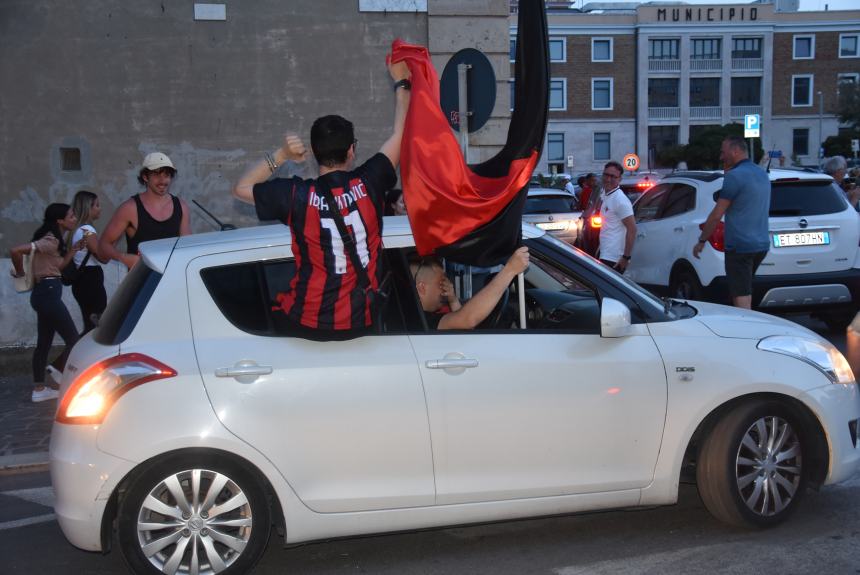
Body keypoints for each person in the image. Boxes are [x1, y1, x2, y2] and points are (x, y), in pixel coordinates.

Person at [233, 60, 411, 340]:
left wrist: (281, 155)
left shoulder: (297, 196)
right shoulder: (371, 182)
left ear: (314, 153)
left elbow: (241, 188)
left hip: (306, 324)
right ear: (351, 150)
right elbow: (401, 134)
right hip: (360, 323)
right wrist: (402, 83)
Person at [9, 204, 81, 402]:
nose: (74, 218)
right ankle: (59, 374)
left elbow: (57, 267)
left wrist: (73, 251)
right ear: (60, 220)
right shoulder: (50, 240)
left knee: (44, 343)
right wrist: (21, 272)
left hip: (45, 293)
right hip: (48, 293)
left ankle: (39, 389)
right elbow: (15, 250)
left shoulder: (53, 241)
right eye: (71, 216)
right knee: (74, 340)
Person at [694, 136, 770, 309]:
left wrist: (701, 241)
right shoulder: (762, 174)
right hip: (761, 245)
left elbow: (716, 214)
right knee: (744, 289)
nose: (721, 157)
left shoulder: (735, 177)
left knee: (741, 295)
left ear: (735, 151)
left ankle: (745, 331)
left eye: (723, 152)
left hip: (739, 246)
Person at [99, 152, 191, 270]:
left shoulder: (181, 206)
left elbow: (187, 246)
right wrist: (123, 258)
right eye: (157, 175)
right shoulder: (130, 208)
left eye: (167, 175)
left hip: (172, 279)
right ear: (145, 177)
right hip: (143, 283)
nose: (163, 181)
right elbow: (103, 246)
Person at [412, 247, 530, 330]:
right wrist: (510, 270)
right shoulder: (418, 321)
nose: (445, 288)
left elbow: (463, 326)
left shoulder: (421, 315)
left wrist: (453, 300)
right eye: (441, 282)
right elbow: (467, 319)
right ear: (422, 288)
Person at [68, 190, 110, 334]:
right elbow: (102, 257)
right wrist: (111, 243)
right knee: (96, 326)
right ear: (88, 208)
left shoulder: (75, 230)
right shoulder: (87, 230)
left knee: (90, 324)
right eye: (97, 205)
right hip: (90, 281)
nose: (100, 208)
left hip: (82, 281)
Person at [597, 161, 636, 273]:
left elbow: (632, 229)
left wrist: (626, 257)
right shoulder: (607, 195)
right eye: (606, 175)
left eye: (613, 176)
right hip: (605, 254)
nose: (608, 179)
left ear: (620, 179)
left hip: (614, 259)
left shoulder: (620, 200)